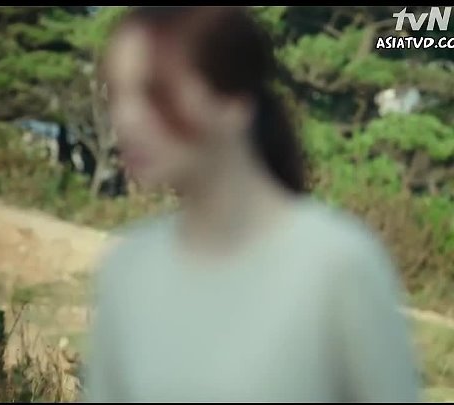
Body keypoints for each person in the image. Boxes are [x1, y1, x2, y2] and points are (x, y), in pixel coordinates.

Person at [84, 6, 421, 402]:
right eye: (117, 94)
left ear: (234, 101)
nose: (126, 119)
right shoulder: (128, 269)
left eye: (156, 93)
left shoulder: (337, 265)